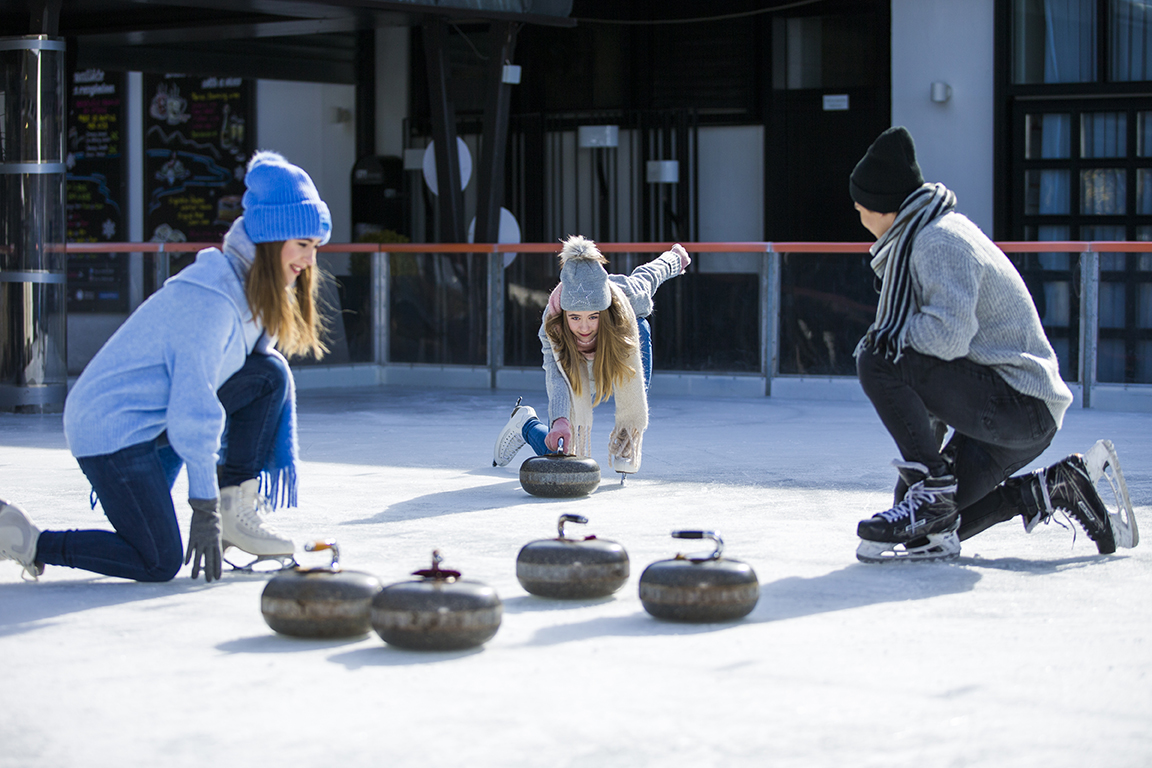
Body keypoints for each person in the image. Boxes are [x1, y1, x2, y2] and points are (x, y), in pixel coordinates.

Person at [0, 151, 331, 582]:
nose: (310, 260)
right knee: (158, 561)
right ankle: (29, 541)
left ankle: (237, 507)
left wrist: (221, 501)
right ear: (271, 240)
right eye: (303, 245)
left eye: (315, 248)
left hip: (152, 419)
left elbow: (247, 376)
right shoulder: (212, 301)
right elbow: (194, 408)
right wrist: (203, 506)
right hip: (109, 428)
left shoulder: (248, 293)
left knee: (269, 373)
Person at [848, 126, 1136, 562]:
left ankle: (934, 490)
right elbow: (934, 375)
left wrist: (926, 480)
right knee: (926, 531)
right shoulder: (924, 236)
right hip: (1009, 412)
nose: (855, 210)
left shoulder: (937, 241)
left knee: (878, 355)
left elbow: (945, 339)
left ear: (882, 206)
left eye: (859, 202)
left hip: (1019, 405)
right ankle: (1057, 486)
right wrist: (921, 482)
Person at [493, 235, 690, 477]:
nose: (584, 328)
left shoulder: (626, 296)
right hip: (576, 370)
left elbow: (649, 275)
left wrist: (675, 258)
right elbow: (557, 377)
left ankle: (628, 434)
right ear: (565, 314)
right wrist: (560, 421)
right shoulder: (552, 326)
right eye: (575, 317)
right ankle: (526, 424)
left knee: (640, 327)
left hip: (615, 355)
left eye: (593, 317)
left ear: (604, 312)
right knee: (562, 452)